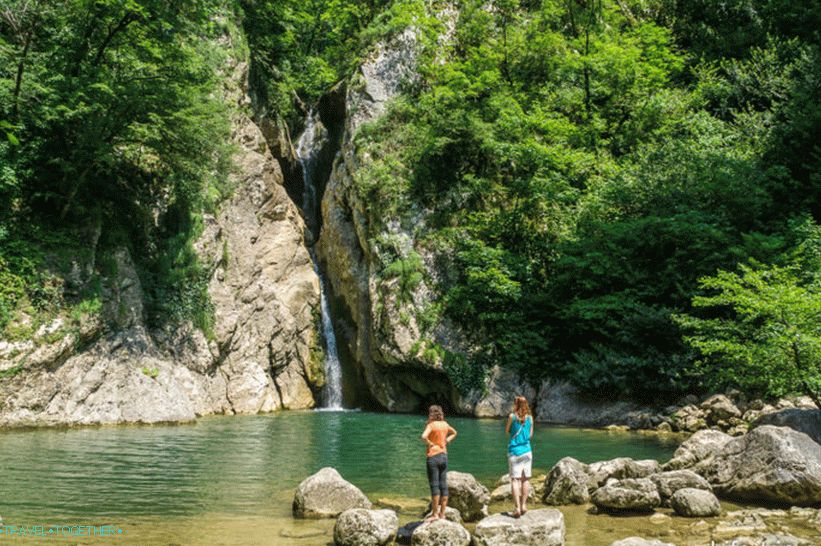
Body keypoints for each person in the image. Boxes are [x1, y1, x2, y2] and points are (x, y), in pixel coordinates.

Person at [421, 404, 457, 521]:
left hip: (433, 457)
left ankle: (434, 514)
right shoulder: (445, 424)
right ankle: (442, 514)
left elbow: (423, 436)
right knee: (443, 485)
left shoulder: (431, 425)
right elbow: (454, 432)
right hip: (443, 456)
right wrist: (447, 440)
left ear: (431, 414)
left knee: (434, 486)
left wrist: (429, 443)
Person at [505, 395, 533, 518]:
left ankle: (516, 508)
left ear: (515, 404)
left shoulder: (512, 417)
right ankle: (524, 506)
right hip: (527, 451)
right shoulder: (530, 418)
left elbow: (507, 431)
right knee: (525, 479)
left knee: (515, 480)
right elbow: (530, 435)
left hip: (515, 452)